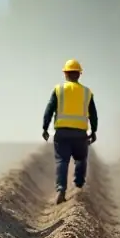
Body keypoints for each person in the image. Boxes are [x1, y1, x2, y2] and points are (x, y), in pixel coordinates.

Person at [42, 58, 98, 204]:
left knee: (62, 161)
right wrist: (94, 131)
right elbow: (93, 114)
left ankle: (61, 189)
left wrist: (45, 128)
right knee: (81, 159)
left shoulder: (58, 90)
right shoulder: (86, 92)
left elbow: (49, 110)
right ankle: (79, 183)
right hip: (80, 134)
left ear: (65, 74)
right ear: (79, 74)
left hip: (62, 133)